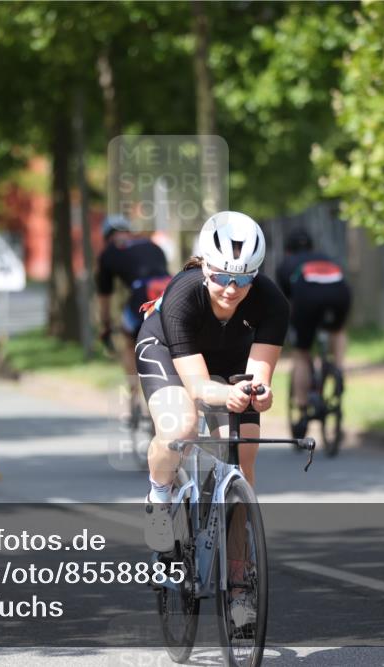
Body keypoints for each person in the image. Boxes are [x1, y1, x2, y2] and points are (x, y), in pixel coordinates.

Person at [136, 212, 287, 617]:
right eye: (222, 277)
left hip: (229, 359)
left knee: (245, 456)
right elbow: (200, 388)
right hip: (169, 353)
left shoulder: (272, 302)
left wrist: (259, 393)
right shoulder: (184, 294)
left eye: (243, 279)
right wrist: (227, 394)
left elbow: (258, 378)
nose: (231, 289)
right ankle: (159, 495)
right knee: (180, 427)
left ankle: (240, 585)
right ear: (205, 266)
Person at [275, 227, 352, 424]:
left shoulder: (287, 263)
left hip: (307, 297)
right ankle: (338, 368)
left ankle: (302, 409)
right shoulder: (326, 257)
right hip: (339, 293)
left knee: (301, 354)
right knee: (338, 329)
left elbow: (287, 301)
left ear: (288, 250)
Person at [96, 215, 171, 405]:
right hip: (170, 291)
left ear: (107, 236)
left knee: (128, 339)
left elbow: (104, 297)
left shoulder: (109, 252)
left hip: (142, 295)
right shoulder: (151, 244)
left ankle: (134, 394)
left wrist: (104, 326)